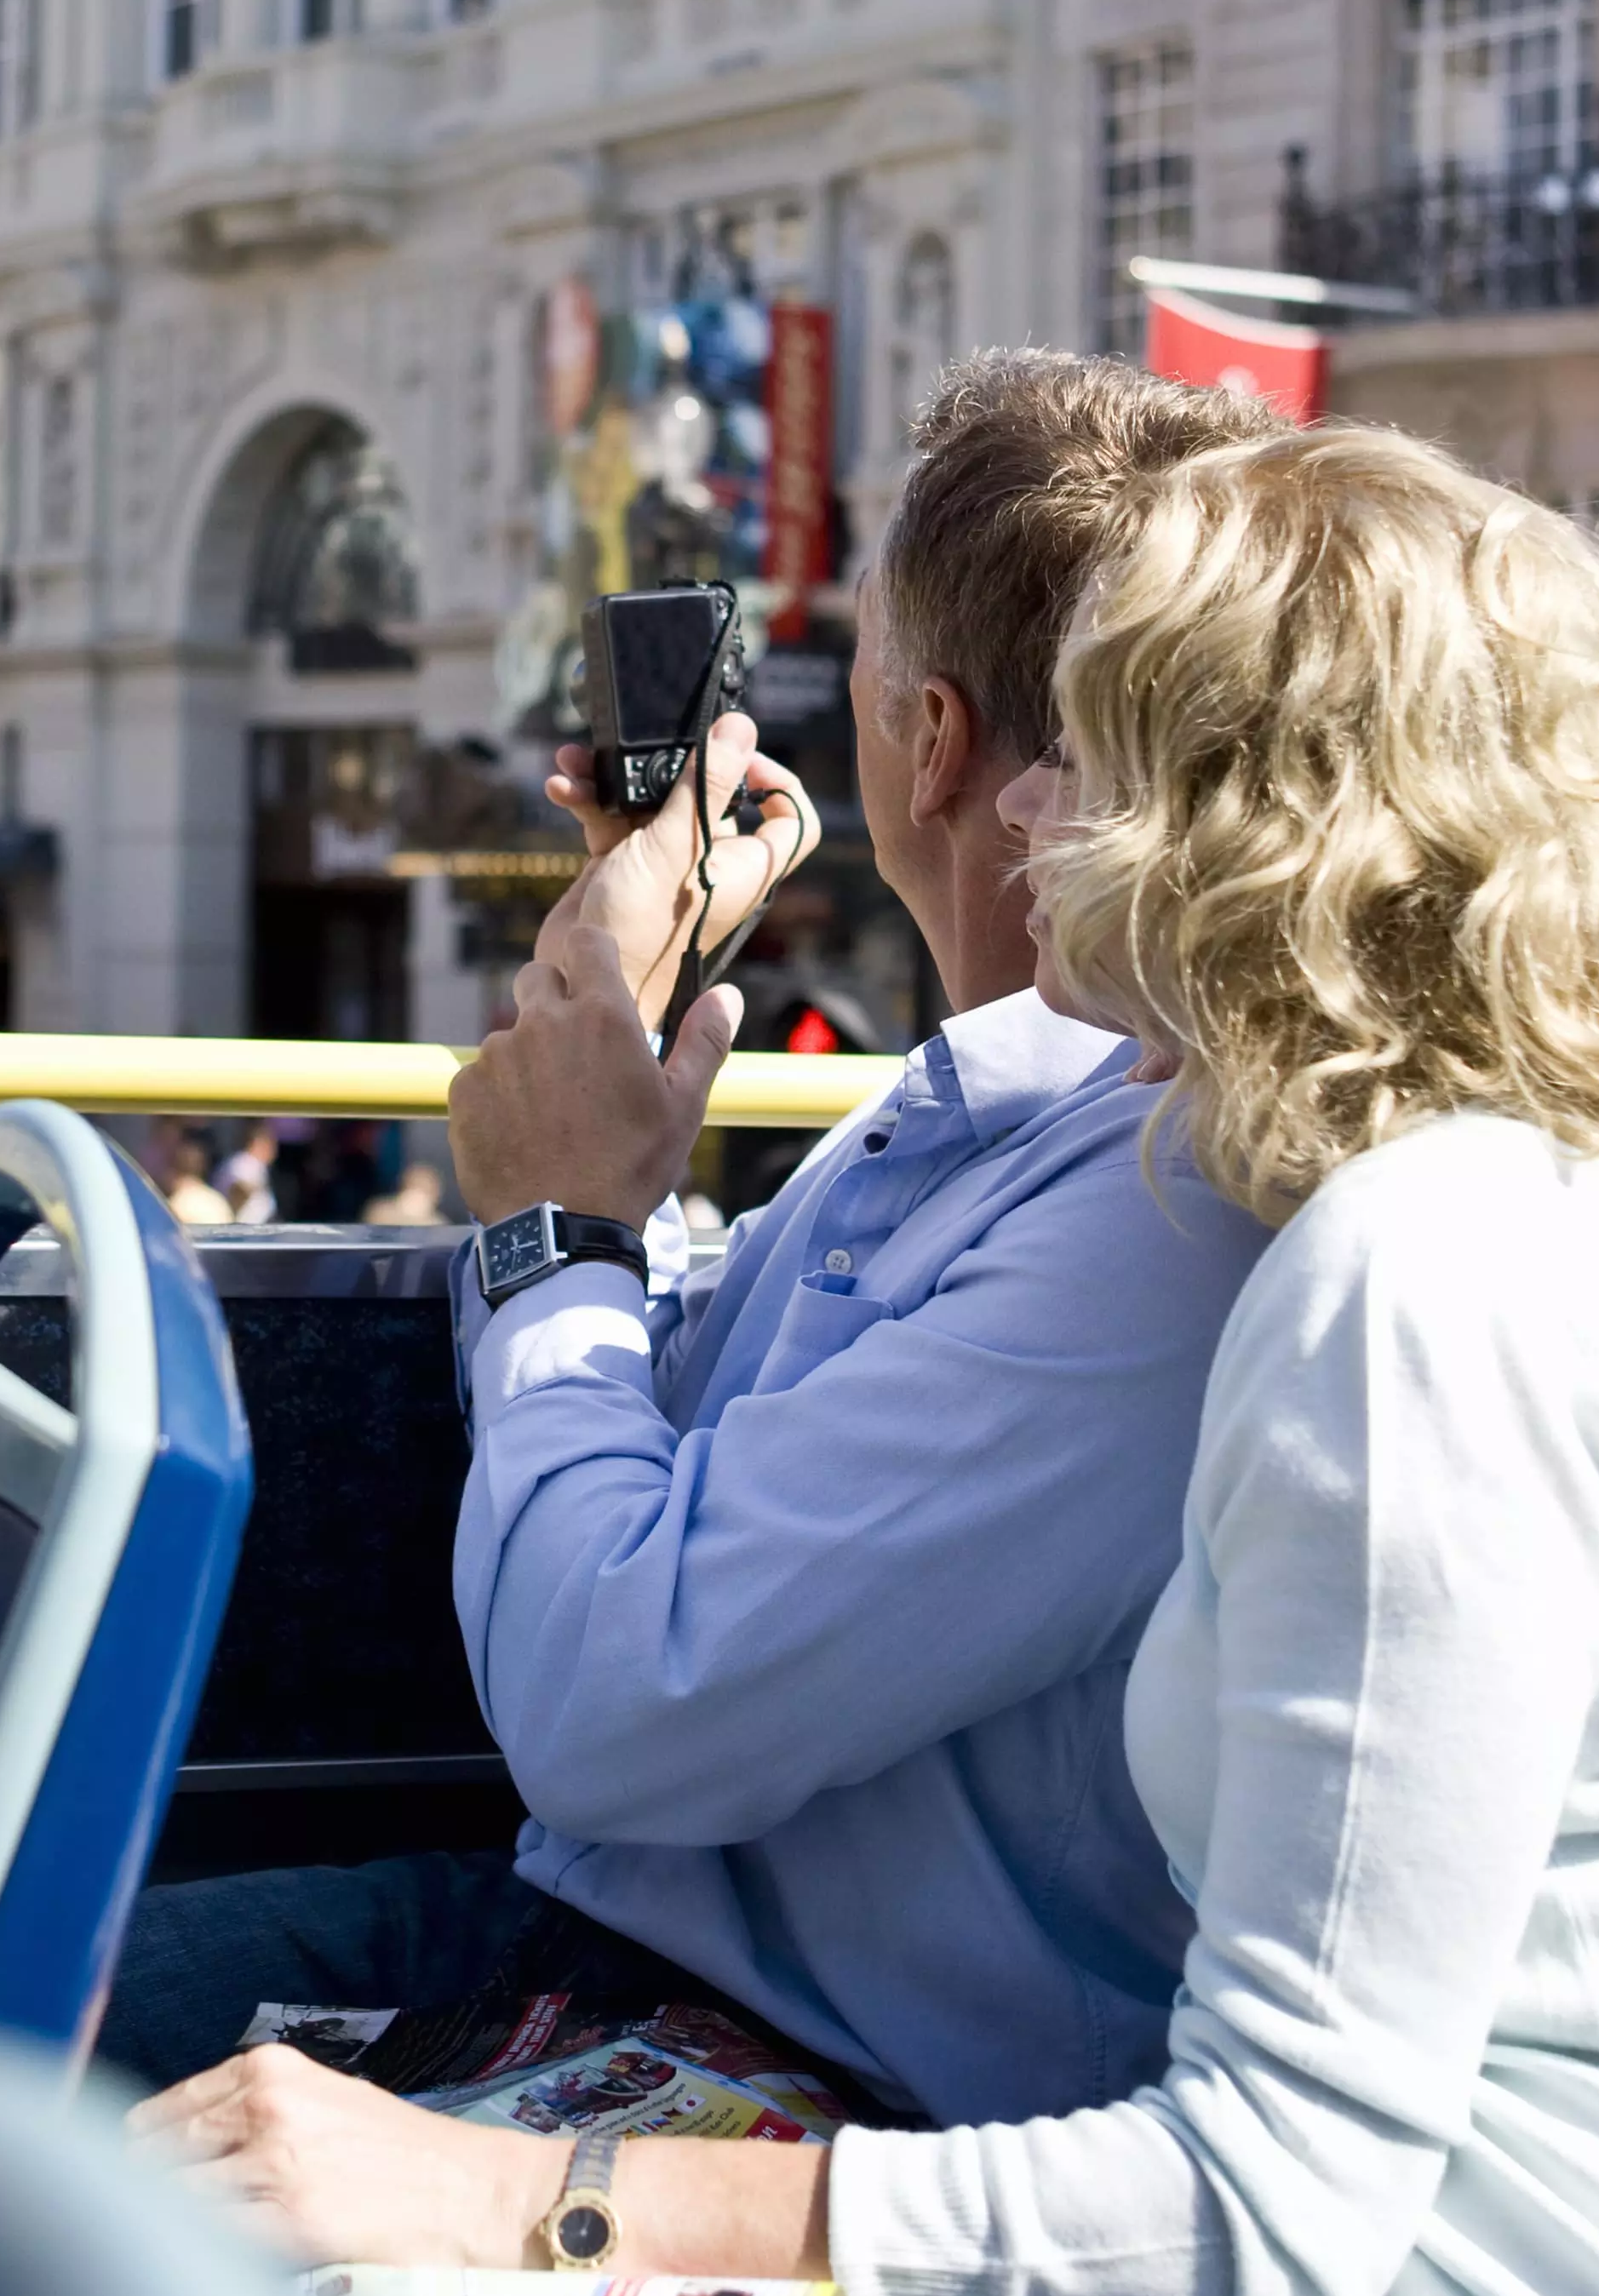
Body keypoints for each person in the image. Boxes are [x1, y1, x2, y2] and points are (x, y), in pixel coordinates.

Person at [143, 424, 1599, 2296]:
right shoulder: (1505, 1197)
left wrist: (504, 2198)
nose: (1017, 799)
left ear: (1261, 829)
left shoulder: (1422, 1278)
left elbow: (1254, 2217)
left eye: (1087, 746)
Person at [98, 352, 1277, 2132]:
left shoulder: (1145, 1195)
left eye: (866, 663)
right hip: (597, 1944)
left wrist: (557, 1227)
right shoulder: (963, 1110)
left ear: (926, 737)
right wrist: (613, 999)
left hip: (811, 2068)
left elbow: (611, 1697)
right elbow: (638, 1477)